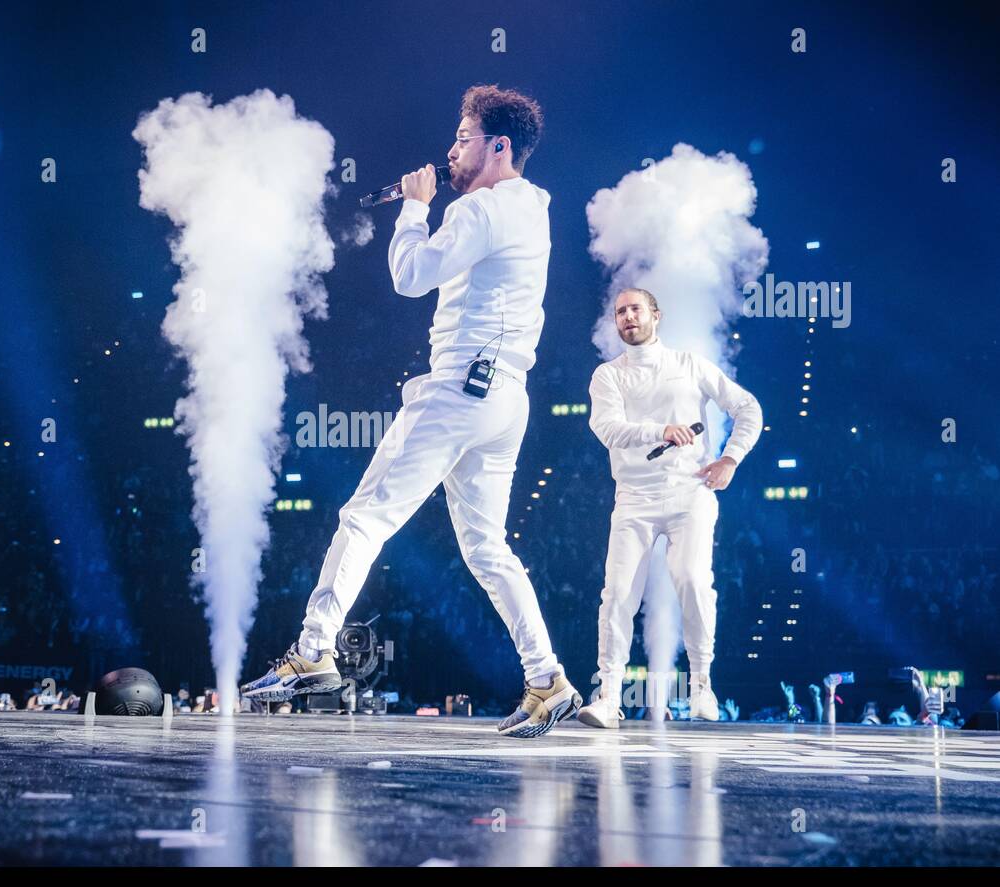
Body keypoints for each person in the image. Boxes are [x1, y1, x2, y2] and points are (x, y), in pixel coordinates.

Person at [242, 84, 582, 737]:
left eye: (462, 136)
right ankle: (548, 680)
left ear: (499, 144)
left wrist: (415, 210)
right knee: (487, 548)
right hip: (506, 397)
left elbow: (409, 277)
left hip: (458, 391)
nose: (451, 149)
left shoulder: (481, 210)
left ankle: (311, 654)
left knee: (364, 518)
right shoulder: (533, 208)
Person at [577, 288, 763, 729]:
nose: (627, 317)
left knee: (693, 580)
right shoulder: (607, 375)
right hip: (634, 498)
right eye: (620, 311)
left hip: (690, 491)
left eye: (635, 309)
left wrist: (730, 459)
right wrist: (660, 429)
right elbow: (607, 428)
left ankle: (702, 684)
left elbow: (748, 408)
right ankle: (608, 697)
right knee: (618, 594)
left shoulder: (690, 365)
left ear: (656, 316)